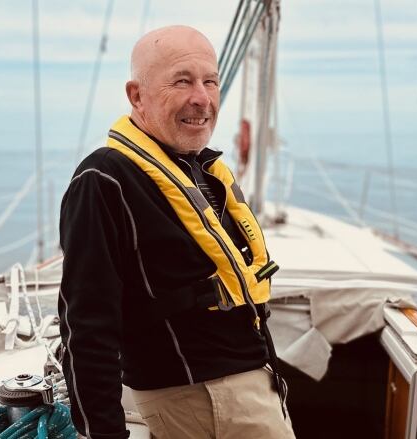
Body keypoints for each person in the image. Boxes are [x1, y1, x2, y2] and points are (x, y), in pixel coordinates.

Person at [58, 25, 294, 439]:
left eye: (210, 82)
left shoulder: (201, 169)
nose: (201, 98)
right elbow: (86, 325)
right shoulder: (104, 180)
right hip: (203, 398)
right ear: (137, 96)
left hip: (248, 381)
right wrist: (102, 432)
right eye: (182, 81)